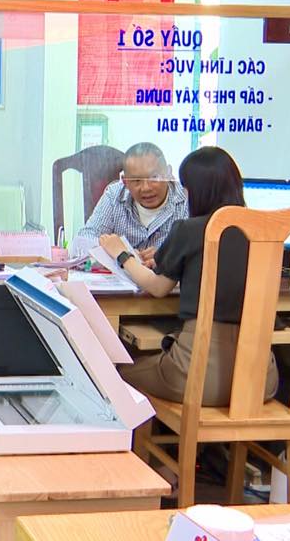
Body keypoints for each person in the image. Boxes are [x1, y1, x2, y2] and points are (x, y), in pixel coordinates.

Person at [99, 146, 277, 407]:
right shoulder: (264, 231)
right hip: (260, 383)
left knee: (117, 375)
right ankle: (217, 449)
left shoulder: (190, 229)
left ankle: (137, 447)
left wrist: (122, 255)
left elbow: (157, 287)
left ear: (196, 190)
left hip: (197, 378)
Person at [71, 142, 188, 267]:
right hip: (120, 283)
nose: (146, 188)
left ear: (168, 173)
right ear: (125, 182)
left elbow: (200, 249)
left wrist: (168, 255)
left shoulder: (186, 198)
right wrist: (123, 253)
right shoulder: (114, 195)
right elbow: (81, 243)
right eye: (137, 181)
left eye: (154, 177)